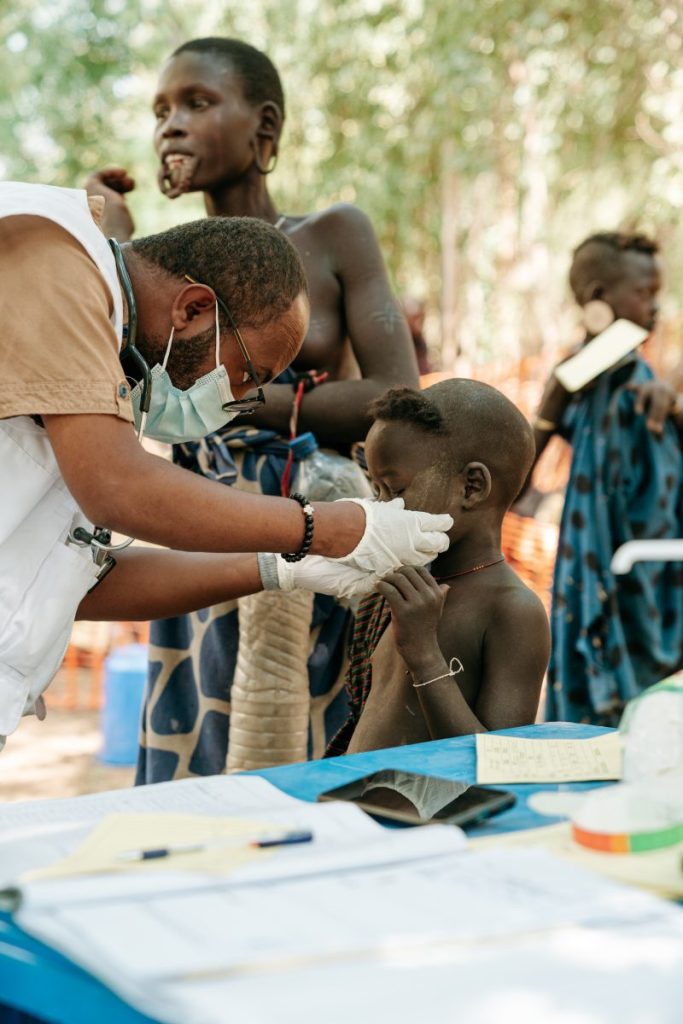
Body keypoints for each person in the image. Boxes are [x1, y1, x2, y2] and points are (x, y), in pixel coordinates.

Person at [0, 180, 453, 754]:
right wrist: (328, 527)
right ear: (193, 308)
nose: (234, 403)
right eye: (245, 376)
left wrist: (278, 568)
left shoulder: (91, 371)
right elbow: (117, 488)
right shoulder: (54, 257)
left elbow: (80, 581)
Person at [87, 37, 420, 780]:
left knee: (307, 733)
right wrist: (106, 229)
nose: (171, 124)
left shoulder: (333, 236)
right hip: (194, 521)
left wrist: (241, 402)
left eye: (197, 102)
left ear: (264, 126)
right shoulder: (157, 265)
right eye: (161, 111)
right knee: (202, 731)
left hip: (316, 523)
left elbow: (395, 396)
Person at [326, 380, 550, 755]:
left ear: (472, 487)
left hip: (430, 799)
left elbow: (500, 765)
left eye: (395, 490)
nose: (380, 508)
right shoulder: (404, 582)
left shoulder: (513, 611)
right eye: (375, 490)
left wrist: (425, 656)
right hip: (361, 793)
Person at [521, 232, 683, 725]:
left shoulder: (646, 385)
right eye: (644, 293)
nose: (655, 307)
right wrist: (551, 404)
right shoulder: (581, 381)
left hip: (650, 582)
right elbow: (514, 486)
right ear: (597, 297)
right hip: (594, 576)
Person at [402, 296, 431, 375]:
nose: (420, 322)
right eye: (416, 318)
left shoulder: (420, 341)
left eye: (422, 318)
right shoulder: (401, 343)